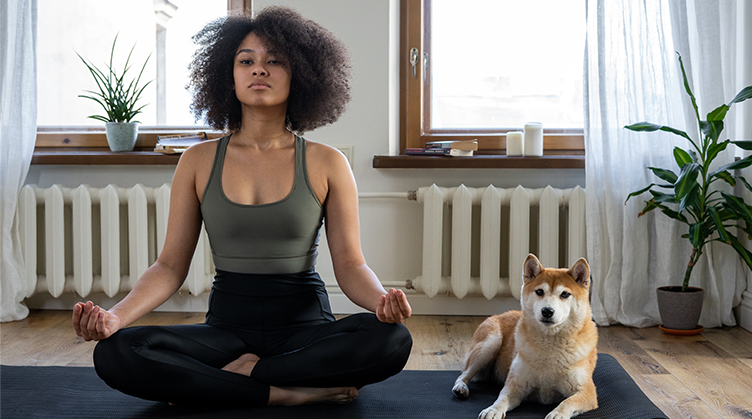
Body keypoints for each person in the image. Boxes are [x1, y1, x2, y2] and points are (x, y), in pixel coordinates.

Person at [72, 6, 413, 407]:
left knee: (392, 340)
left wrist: (380, 304)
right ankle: (283, 393)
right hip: (227, 330)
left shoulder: (327, 162)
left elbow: (351, 265)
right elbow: (169, 267)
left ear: (300, 73)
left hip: (304, 328)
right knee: (117, 351)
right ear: (227, 75)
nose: (259, 70)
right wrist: (115, 317)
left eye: (274, 61)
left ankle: (233, 380)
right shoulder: (196, 161)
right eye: (246, 60)